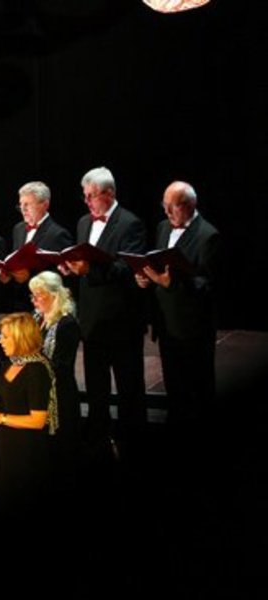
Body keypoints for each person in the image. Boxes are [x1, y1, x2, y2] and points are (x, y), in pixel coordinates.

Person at [63, 166, 147, 463]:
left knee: (128, 388)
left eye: (92, 195)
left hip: (121, 320)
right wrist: (72, 268)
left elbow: (127, 269)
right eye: (85, 196)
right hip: (92, 320)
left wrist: (91, 269)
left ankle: (132, 446)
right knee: (96, 388)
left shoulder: (130, 223)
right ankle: (98, 443)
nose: (87, 202)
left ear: (109, 193)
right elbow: (85, 265)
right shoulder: (84, 222)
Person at [135, 181, 219, 439]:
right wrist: (146, 278)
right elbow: (160, 265)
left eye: (173, 206)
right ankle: (175, 441)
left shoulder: (208, 235)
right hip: (166, 323)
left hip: (193, 328)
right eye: (165, 205)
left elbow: (208, 285)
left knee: (198, 389)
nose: (167, 212)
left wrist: (171, 283)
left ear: (191, 205)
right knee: (174, 388)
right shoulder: (163, 227)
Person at [0, 312, 57, 527]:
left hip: (27, 450)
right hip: (8, 445)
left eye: (6, 337)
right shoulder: (10, 363)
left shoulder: (36, 369)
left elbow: (38, 420)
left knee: (21, 508)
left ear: (21, 338)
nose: (0, 341)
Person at [29, 271, 81, 494]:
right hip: (40, 389)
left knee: (61, 450)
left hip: (60, 395)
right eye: (32, 295)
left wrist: (32, 359)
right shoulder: (37, 319)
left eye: (39, 295)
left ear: (54, 295)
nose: (34, 300)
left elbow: (61, 365)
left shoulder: (67, 323)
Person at [3, 181, 73, 311]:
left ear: (45, 205)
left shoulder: (58, 234)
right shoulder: (18, 229)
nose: (23, 209)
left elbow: (62, 277)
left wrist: (29, 276)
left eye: (27, 204)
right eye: (21, 205)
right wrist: (8, 274)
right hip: (19, 302)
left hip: (45, 305)